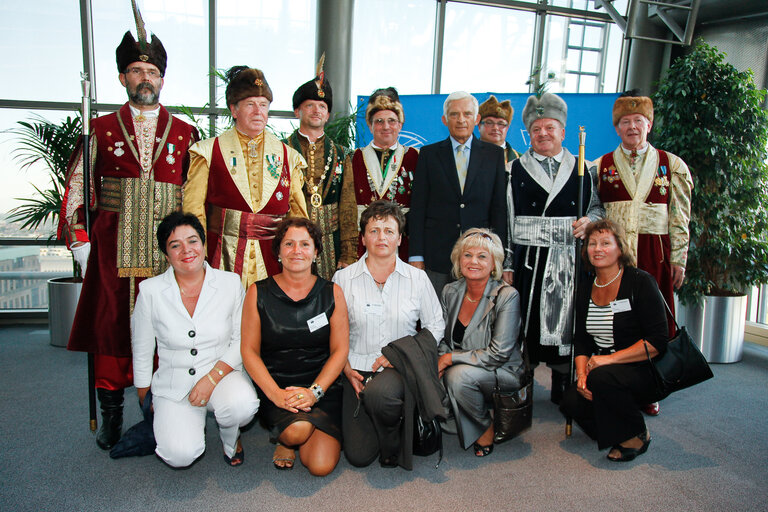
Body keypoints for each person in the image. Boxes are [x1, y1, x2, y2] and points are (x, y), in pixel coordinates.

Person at [58, 14, 199, 450]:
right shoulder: (98, 130)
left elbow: (195, 198)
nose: (145, 78)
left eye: (152, 72)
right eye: (137, 71)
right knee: (111, 331)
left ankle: (161, 413)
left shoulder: (186, 133)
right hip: (110, 250)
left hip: (167, 255)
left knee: (167, 331)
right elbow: (77, 190)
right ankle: (113, 413)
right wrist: (80, 242)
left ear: (163, 79)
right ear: (123, 77)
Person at [131, 212, 259, 468]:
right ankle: (187, 425)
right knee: (179, 455)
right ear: (166, 255)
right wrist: (145, 396)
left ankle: (230, 437)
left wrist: (210, 380)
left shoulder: (230, 283)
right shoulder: (150, 291)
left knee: (241, 407)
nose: (186, 250)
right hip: (174, 381)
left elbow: (242, 339)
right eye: (175, 245)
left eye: (192, 241)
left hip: (222, 374)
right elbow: (143, 348)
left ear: (203, 244)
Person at [594, 93, 693, 417]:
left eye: (638, 121)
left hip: (655, 254)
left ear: (649, 124)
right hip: (615, 257)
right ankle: (616, 381)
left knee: (654, 321)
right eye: (625, 122)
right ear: (617, 127)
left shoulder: (672, 165)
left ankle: (652, 386)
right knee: (617, 320)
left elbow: (680, 214)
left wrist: (679, 257)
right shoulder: (601, 165)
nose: (632, 127)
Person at [504, 92, 604, 405]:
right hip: (528, 261)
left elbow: (599, 209)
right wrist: (507, 264)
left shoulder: (584, 169)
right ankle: (526, 379)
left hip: (570, 260)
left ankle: (564, 380)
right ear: (528, 134)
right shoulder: (513, 170)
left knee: (568, 322)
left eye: (550, 128)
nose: (543, 134)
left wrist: (589, 221)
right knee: (528, 322)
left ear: (562, 131)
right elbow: (507, 221)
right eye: (536, 129)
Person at [333, 200, 445, 469]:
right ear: (362, 238)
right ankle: (389, 421)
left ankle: (395, 434)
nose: (381, 237)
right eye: (373, 230)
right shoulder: (343, 278)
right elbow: (334, 332)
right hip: (357, 369)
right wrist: (345, 369)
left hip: (400, 369)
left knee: (381, 395)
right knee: (358, 456)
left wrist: (401, 355)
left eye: (389, 231)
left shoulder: (417, 279)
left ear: (399, 239)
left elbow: (436, 325)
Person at [241, 217, 349, 475]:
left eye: (304, 244)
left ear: (315, 252)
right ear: (278, 252)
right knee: (297, 431)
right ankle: (287, 436)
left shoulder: (333, 292)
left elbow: (340, 351)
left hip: (322, 387)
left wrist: (314, 392)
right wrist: (276, 394)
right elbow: (249, 351)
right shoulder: (258, 292)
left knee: (320, 467)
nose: (296, 251)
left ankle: (303, 427)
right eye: (289, 244)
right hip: (279, 387)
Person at [183, 66, 308, 288]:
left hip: (274, 261)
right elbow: (194, 210)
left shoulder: (289, 156)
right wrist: (196, 253)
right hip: (220, 257)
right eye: (250, 105)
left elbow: (299, 215)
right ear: (234, 110)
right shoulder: (207, 152)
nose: (258, 112)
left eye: (263, 106)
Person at [559, 219, 668, 462]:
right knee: (570, 401)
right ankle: (616, 429)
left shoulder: (640, 282)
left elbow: (658, 341)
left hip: (643, 368)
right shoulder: (586, 288)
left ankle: (637, 435)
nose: (597, 249)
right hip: (604, 368)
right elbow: (582, 339)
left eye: (606, 243)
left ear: (620, 248)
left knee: (602, 378)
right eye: (592, 243)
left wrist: (608, 360)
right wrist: (582, 376)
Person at [409, 91, 508, 295]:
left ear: (476, 119)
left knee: (475, 319)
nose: (461, 120)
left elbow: (499, 209)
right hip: (437, 257)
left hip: (480, 257)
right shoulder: (428, 155)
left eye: (467, 114)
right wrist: (416, 256)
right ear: (445, 120)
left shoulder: (495, 156)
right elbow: (418, 207)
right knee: (435, 318)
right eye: (454, 114)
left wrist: (501, 258)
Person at [437, 228, 523, 457]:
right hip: (462, 367)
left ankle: (485, 426)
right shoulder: (450, 291)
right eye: (467, 255)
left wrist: (449, 359)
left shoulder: (507, 296)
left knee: (457, 377)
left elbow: (498, 354)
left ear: (494, 264)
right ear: (458, 260)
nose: (473, 261)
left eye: (482, 256)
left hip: (502, 370)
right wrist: (441, 358)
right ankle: (465, 413)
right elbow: (444, 339)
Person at [283, 55, 355, 278]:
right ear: (297, 111)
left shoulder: (342, 154)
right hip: (291, 242)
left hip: (331, 244)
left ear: (328, 115)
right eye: (310, 105)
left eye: (322, 106)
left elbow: (348, 207)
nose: (317, 110)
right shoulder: (280, 151)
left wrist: (349, 254)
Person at [339, 87, 418, 264]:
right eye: (379, 121)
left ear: (400, 124)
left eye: (392, 120)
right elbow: (347, 210)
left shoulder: (415, 157)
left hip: (402, 243)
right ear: (370, 125)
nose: (386, 126)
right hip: (363, 242)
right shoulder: (353, 158)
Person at [477, 95, 521, 166]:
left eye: (501, 123)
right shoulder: (465, 155)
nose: (495, 128)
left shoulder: (522, 161)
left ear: (507, 128)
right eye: (489, 122)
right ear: (479, 126)